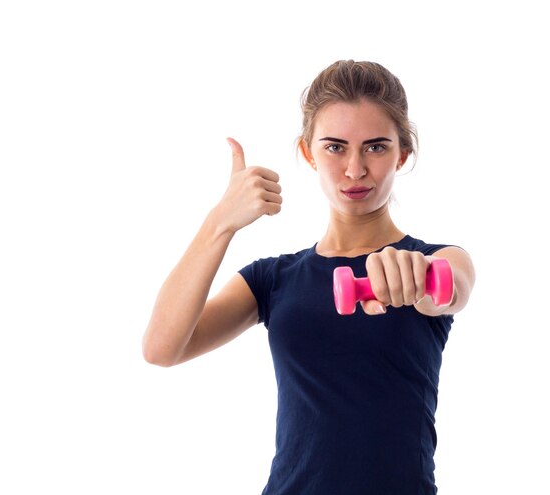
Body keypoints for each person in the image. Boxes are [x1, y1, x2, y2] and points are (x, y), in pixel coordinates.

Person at [142, 60, 476, 494]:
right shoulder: (272, 279)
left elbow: (451, 290)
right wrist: (219, 223)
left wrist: (418, 279)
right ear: (307, 152)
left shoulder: (435, 260)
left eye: (376, 147)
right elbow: (161, 348)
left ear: (403, 153)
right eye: (335, 147)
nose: (355, 170)